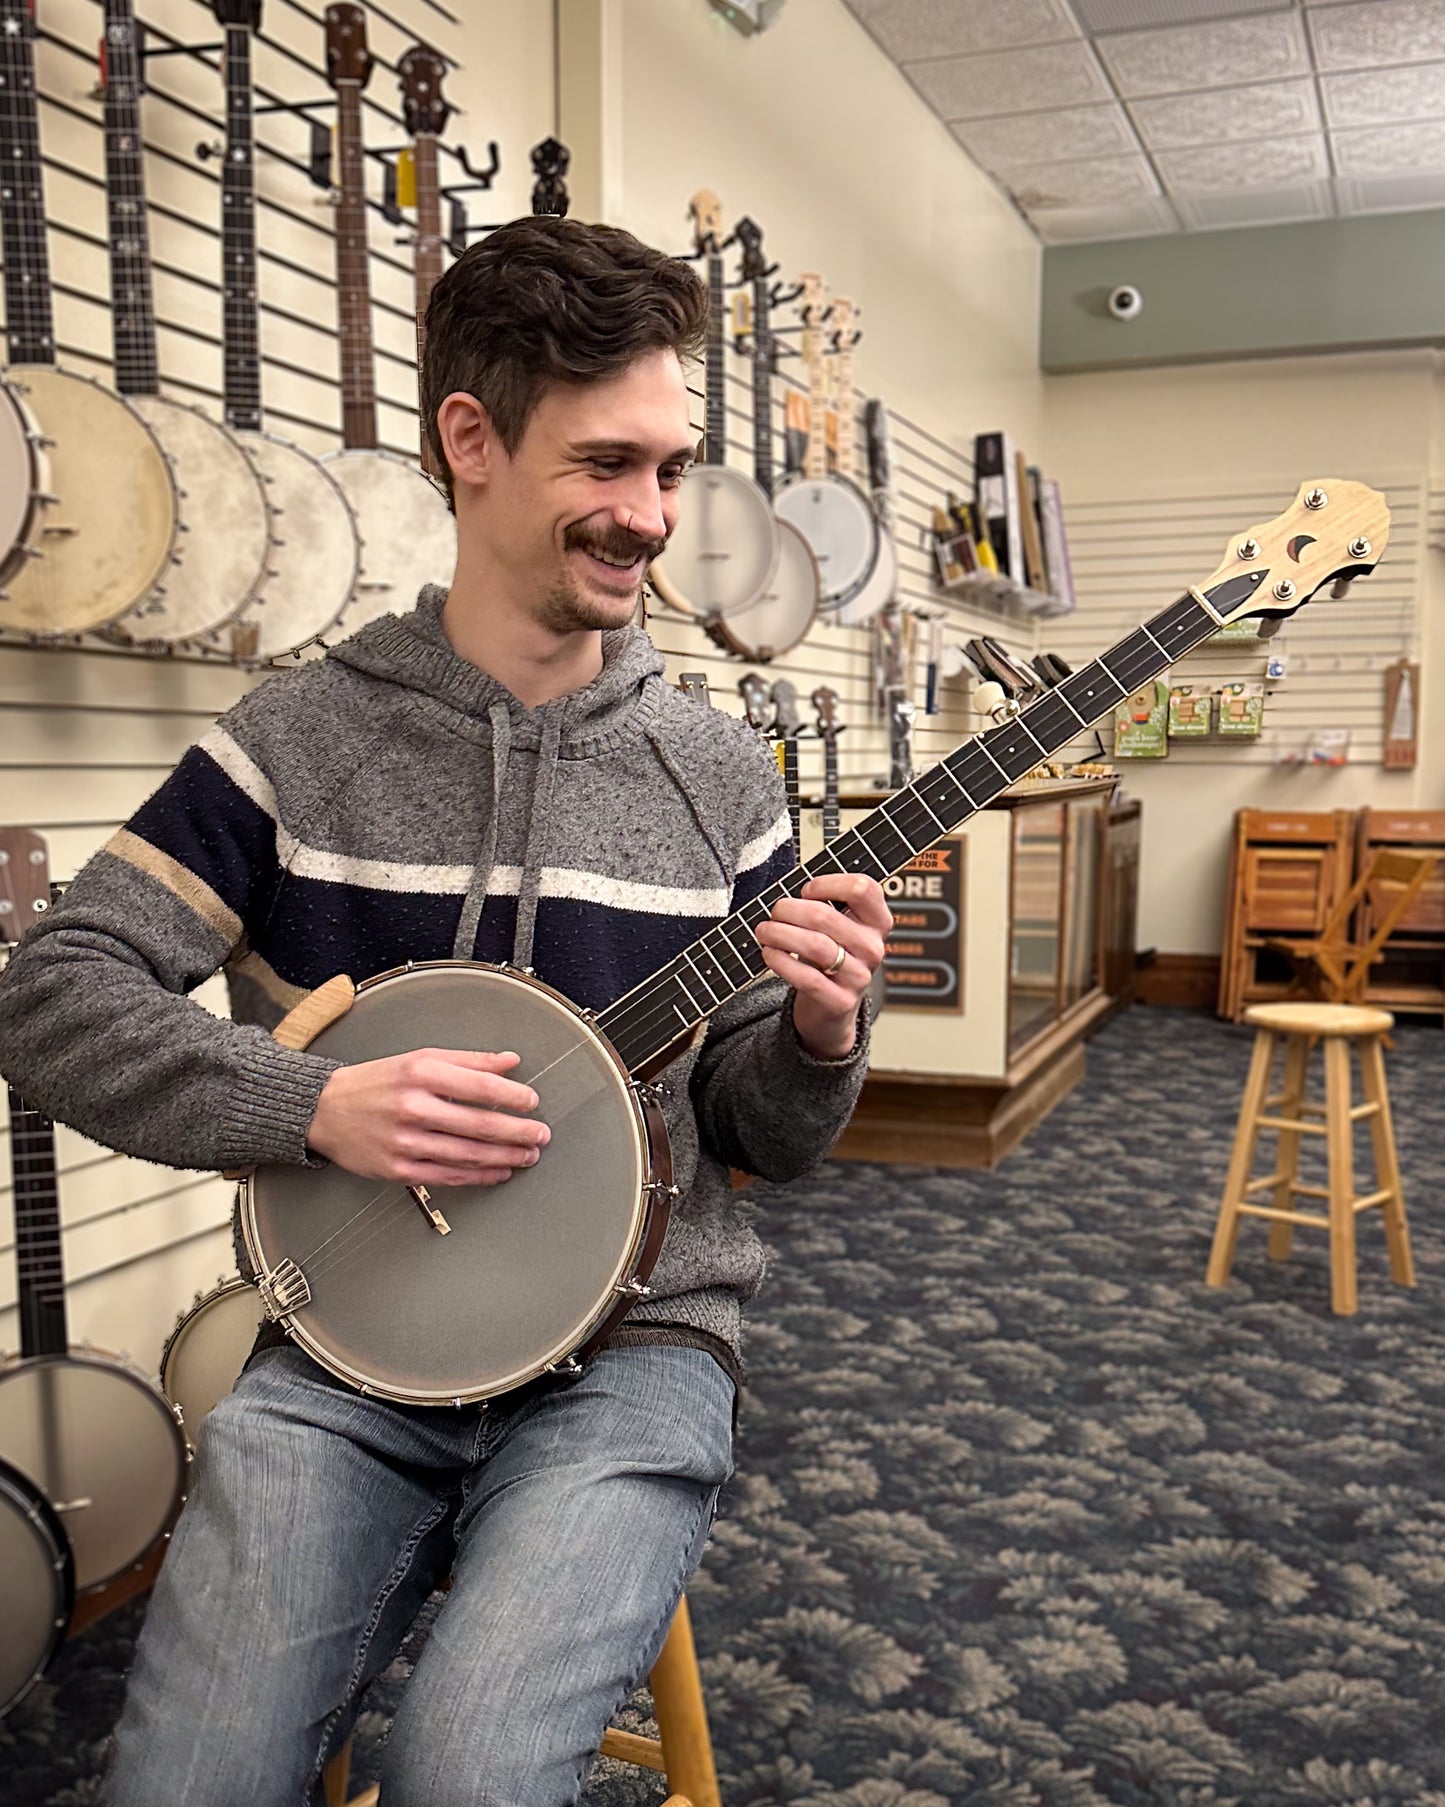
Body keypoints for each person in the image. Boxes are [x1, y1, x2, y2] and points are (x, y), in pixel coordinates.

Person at [0, 215, 891, 1805]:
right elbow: (55, 995)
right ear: (468, 442)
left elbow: (759, 1135)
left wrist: (818, 1038)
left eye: (671, 470)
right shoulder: (295, 742)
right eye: (607, 466)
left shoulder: (719, 780)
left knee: (475, 1775)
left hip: (632, 1350)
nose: (650, 518)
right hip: (347, 1356)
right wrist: (314, 1106)